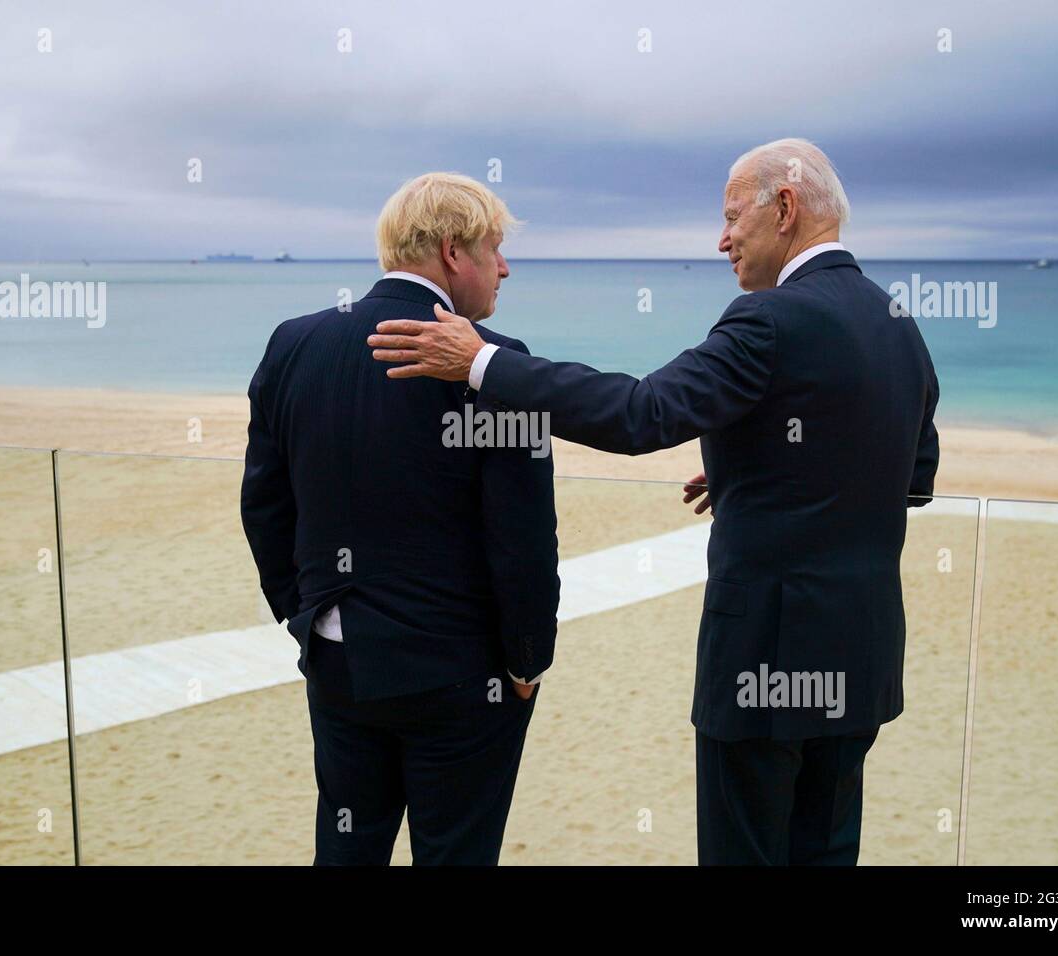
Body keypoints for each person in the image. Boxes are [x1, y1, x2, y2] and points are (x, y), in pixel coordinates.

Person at [366, 139, 940, 865]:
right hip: (862, 656)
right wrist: (750, 475)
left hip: (765, 665)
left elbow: (641, 414)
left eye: (733, 217)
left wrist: (482, 361)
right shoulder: (898, 321)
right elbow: (911, 476)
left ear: (786, 208)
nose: (722, 238)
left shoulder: (765, 320)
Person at [241, 172, 559, 865]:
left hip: (337, 659)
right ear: (453, 252)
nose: (504, 267)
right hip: (461, 674)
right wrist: (529, 658)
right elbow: (523, 537)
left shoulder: (294, 344)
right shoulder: (496, 368)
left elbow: (264, 503)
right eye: (495, 249)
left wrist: (307, 612)